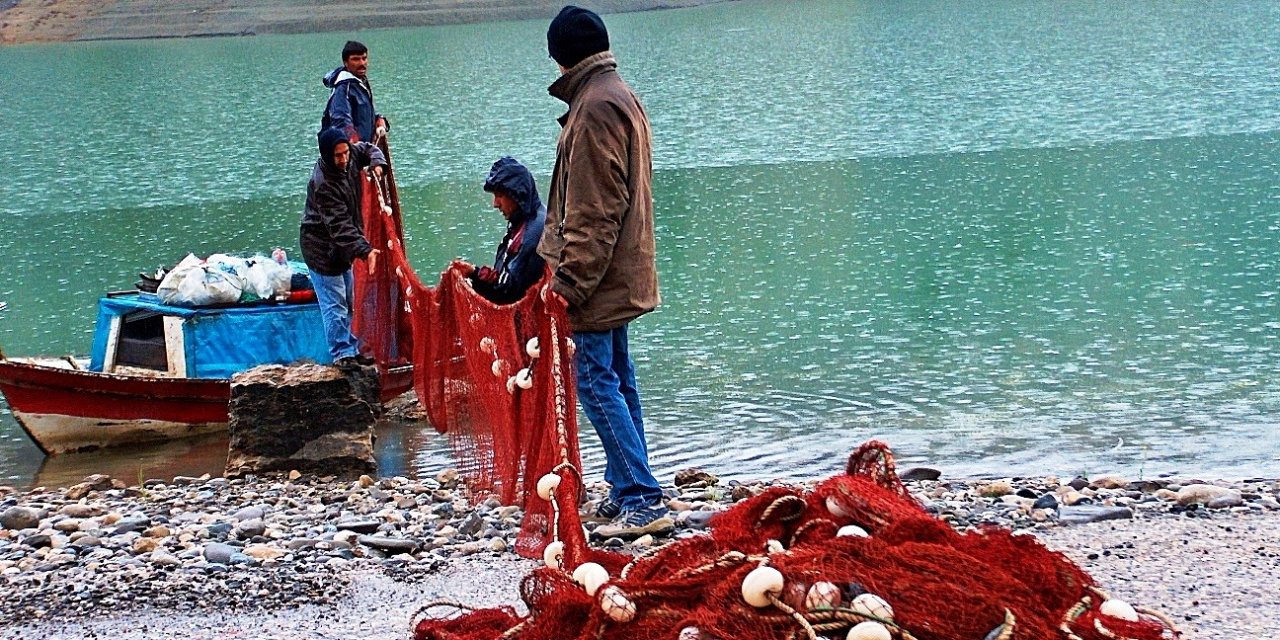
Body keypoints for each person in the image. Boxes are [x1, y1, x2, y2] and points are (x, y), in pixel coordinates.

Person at [539, 6, 668, 538]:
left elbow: (593, 212)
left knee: (595, 382)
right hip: (620, 271)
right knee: (617, 378)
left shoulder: (593, 107)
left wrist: (568, 285)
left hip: (598, 279)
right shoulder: (618, 94)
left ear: (562, 56)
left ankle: (641, 494)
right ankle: (627, 484)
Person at [300, 126, 386, 367]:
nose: (344, 159)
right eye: (338, 156)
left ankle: (350, 347)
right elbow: (340, 227)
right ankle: (342, 355)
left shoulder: (350, 156)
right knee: (334, 303)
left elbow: (368, 148)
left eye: (345, 153)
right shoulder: (323, 184)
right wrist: (365, 250)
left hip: (341, 251)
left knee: (348, 298)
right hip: (321, 251)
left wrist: (377, 163)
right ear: (327, 155)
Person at [468, 157, 547, 304]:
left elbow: (505, 290)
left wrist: (474, 275)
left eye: (499, 196)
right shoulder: (528, 219)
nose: (495, 204)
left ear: (516, 194)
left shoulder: (531, 233)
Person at [321, 40, 388, 143]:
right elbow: (341, 122)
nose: (362, 63)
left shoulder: (361, 82)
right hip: (351, 153)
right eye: (356, 59)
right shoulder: (343, 88)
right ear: (345, 62)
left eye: (364, 58)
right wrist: (359, 148)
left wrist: (380, 121)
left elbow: (367, 113)